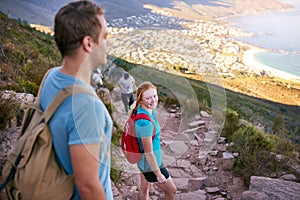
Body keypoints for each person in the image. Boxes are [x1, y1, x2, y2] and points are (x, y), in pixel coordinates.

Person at [39, 1, 112, 199]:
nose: (109, 42)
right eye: (105, 36)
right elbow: (87, 185)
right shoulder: (87, 106)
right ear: (88, 43)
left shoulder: (51, 77)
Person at [132, 81, 177, 200]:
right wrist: (158, 173)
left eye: (154, 96)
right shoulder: (145, 122)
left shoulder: (146, 110)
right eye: (148, 98)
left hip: (143, 160)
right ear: (141, 100)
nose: (153, 100)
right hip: (150, 163)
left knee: (144, 188)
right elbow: (148, 152)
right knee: (171, 191)